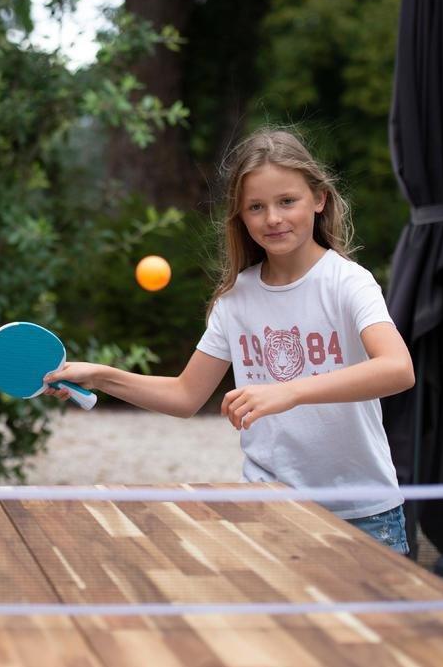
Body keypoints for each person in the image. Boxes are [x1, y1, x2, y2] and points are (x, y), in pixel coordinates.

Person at [47, 128, 415, 553]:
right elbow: (185, 395)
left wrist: (290, 391)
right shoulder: (236, 298)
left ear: (319, 199)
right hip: (269, 509)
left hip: (363, 514)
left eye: (287, 201)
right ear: (240, 216)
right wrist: (101, 376)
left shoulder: (348, 282)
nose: (272, 218)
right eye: (256, 207)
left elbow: (397, 369)